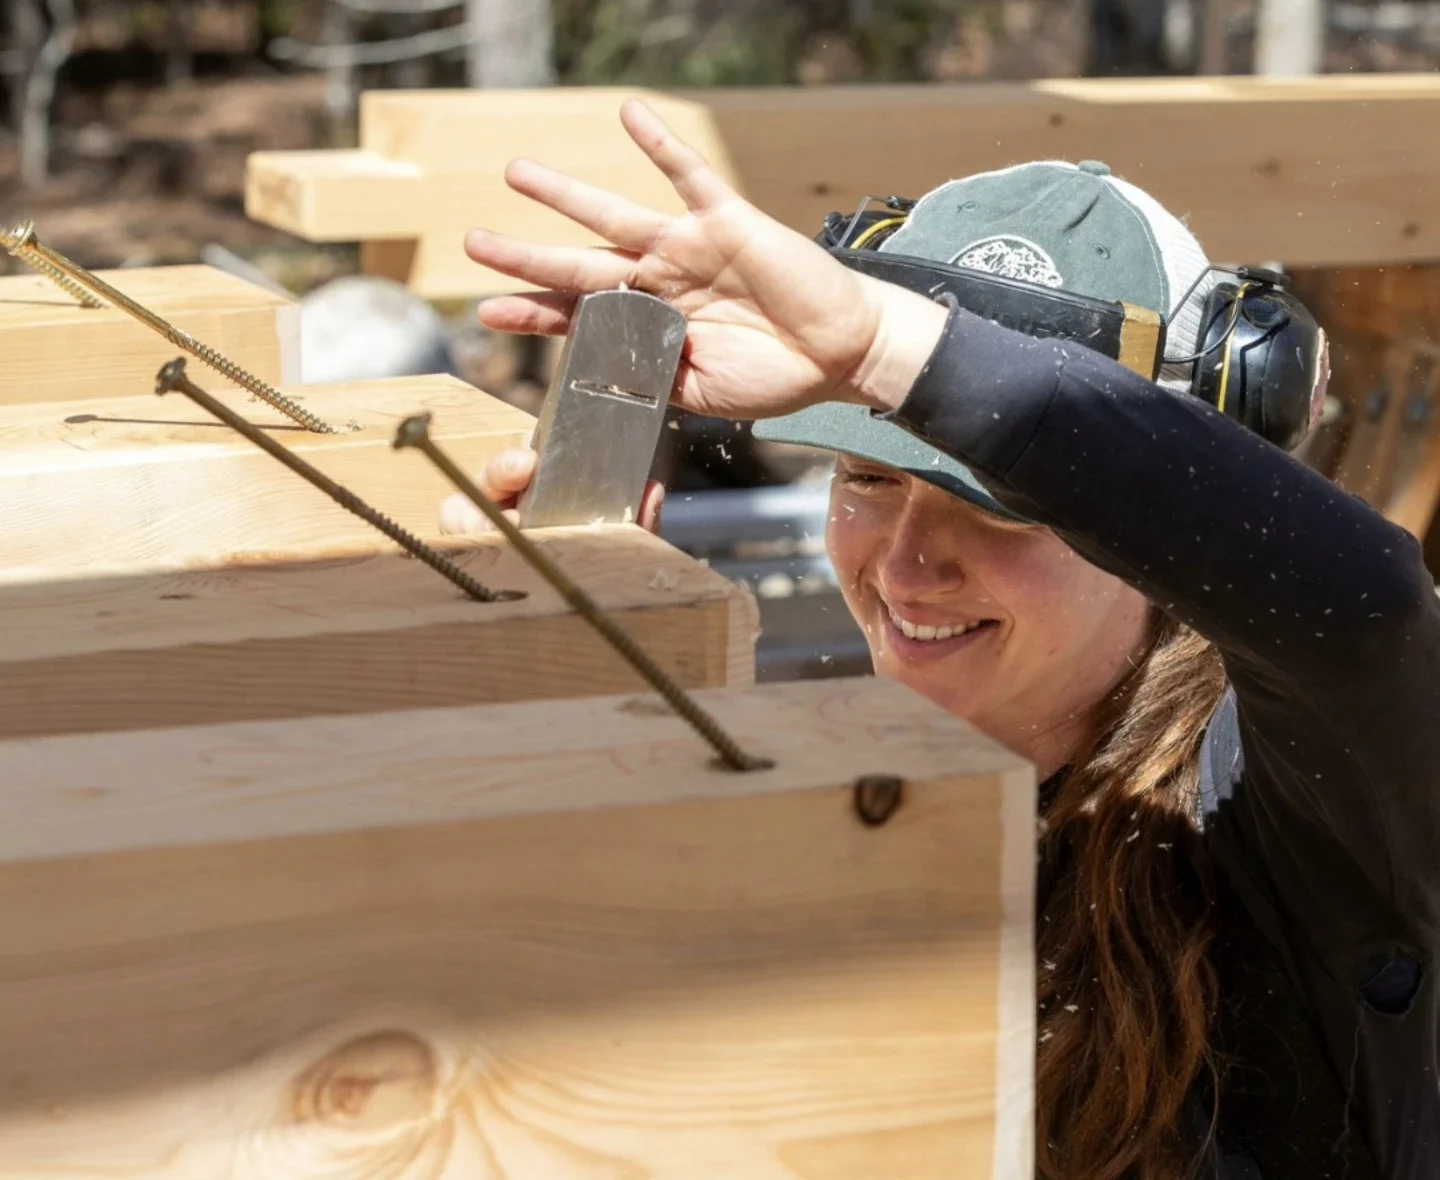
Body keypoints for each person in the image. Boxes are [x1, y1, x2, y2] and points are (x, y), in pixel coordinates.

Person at [442, 99, 1440, 1180]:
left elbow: (1366, 607)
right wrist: (569, 697)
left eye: (1002, 505)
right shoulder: (865, 795)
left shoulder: (1299, 804)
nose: (910, 562)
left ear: (1153, 530)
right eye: (869, 477)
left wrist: (882, 345)